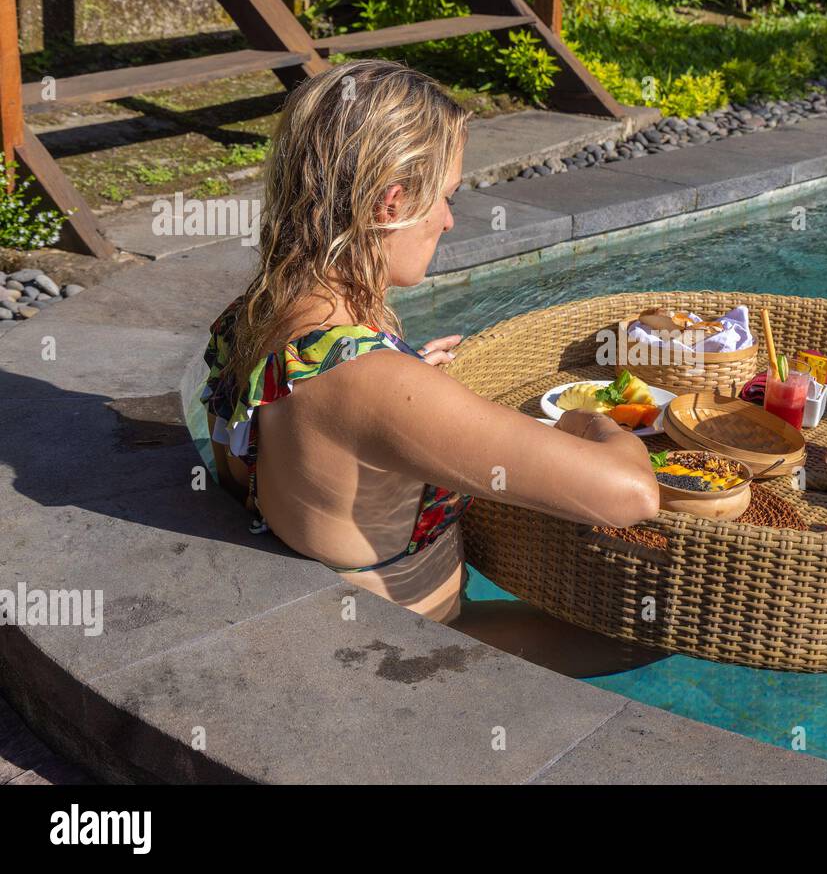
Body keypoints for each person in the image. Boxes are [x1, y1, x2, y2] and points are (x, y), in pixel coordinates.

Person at [201, 60, 661, 677]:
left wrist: (405, 379)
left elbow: (287, 441)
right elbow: (631, 497)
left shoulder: (251, 317)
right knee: (652, 633)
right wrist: (587, 420)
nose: (447, 220)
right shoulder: (372, 382)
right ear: (391, 203)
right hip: (411, 654)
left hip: (349, 620)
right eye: (445, 197)